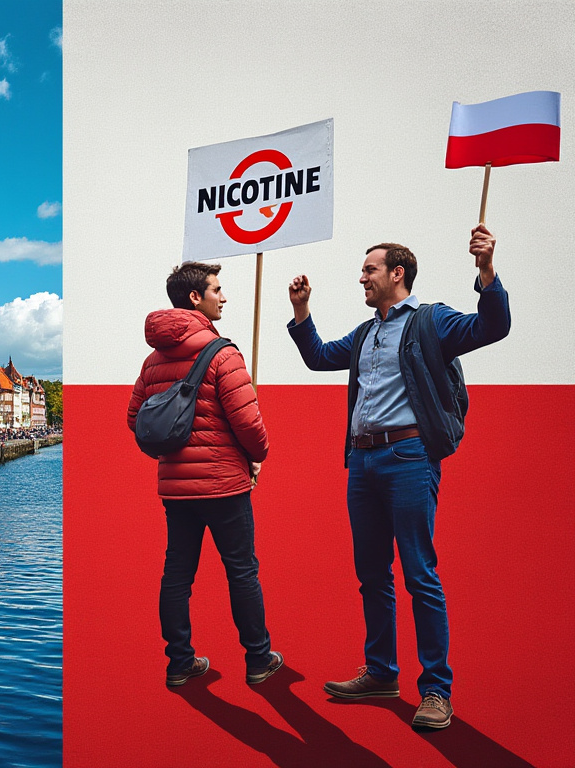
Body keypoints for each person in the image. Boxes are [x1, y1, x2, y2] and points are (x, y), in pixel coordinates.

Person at [286, 224, 510, 730]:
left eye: (369, 269)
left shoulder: (432, 321)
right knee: (371, 575)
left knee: (419, 574)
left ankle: (435, 690)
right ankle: (383, 673)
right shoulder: (365, 333)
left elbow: (491, 327)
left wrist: (487, 270)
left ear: (396, 274)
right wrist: (302, 311)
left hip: (409, 457)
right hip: (361, 463)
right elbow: (320, 357)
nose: (361, 277)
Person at [127, 261, 281, 688]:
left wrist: (174, 452)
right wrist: (256, 456)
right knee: (241, 571)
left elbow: (134, 418)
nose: (224, 296)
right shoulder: (223, 353)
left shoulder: (152, 360)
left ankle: (179, 662)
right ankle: (258, 658)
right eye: (217, 289)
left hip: (176, 489)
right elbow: (248, 422)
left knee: (177, 574)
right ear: (195, 297)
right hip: (224, 485)